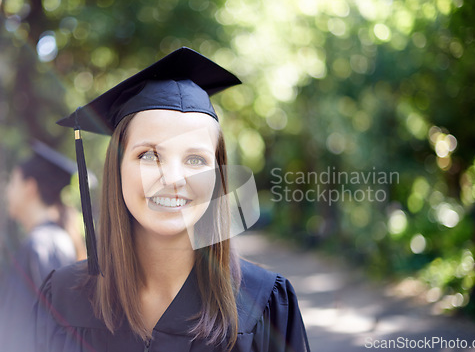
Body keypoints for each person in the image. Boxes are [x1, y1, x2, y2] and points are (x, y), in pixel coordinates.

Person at [34, 47, 310, 352]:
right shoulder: (60, 299)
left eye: (195, 160)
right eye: (149, 155)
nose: (174, 178)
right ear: (117, 168)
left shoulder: (264, 303)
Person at [0, 140, 86, 352]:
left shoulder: (42, 245)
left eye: (12, 182)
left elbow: (54, 329)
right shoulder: (49, 239)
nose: (7, 191)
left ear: (30, 187)